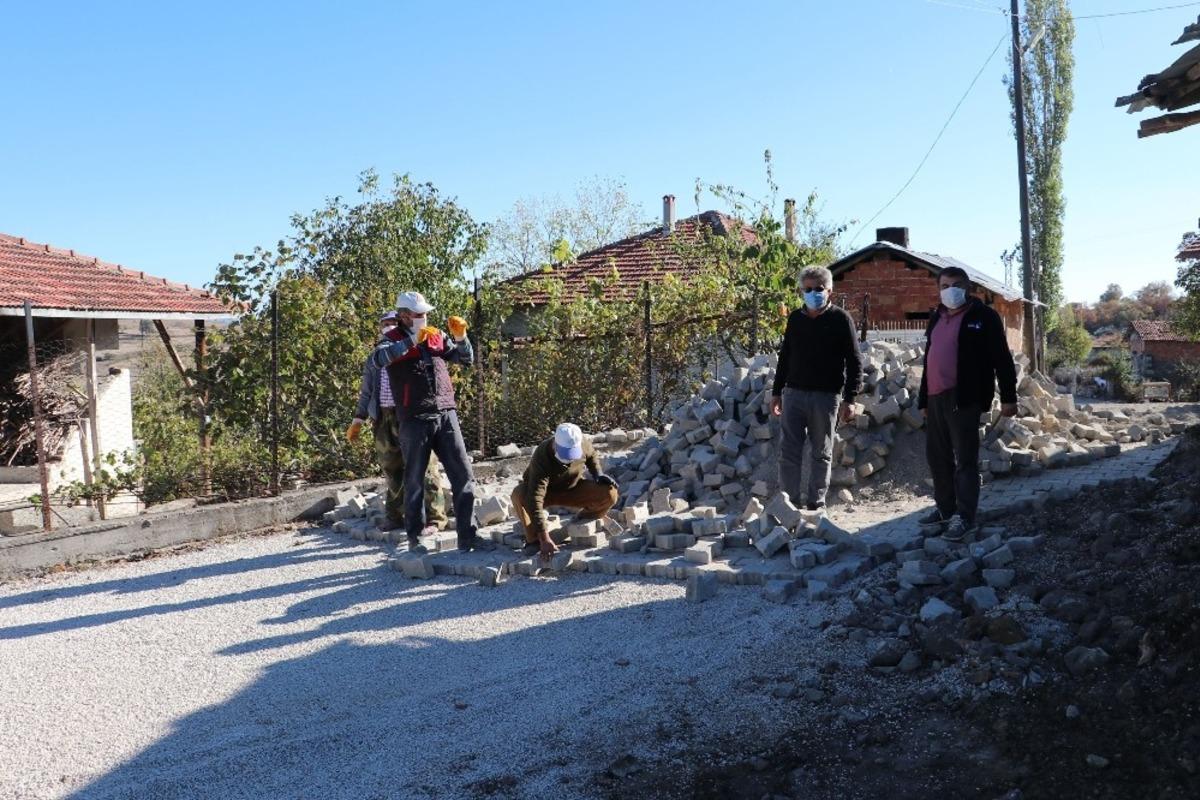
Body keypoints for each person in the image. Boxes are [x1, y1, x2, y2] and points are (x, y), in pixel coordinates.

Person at [372, 291, 494, 553]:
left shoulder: (436, 335)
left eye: (426, 313)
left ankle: (468, 536)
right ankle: (415, 538)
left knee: (463, 475)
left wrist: (461, 338)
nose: (424, 318)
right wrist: (412, 342)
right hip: (414, 418)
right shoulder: (389, 341)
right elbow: (378, 360)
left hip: (445, 413)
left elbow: (465, 359)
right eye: (418, 314)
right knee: (414, 479)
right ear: (403, 316)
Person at [916, 266, 1018, 542]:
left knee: (965, 460)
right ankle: (945, 511)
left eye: (956, 284)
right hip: (936, 398)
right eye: (945, 285)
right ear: (939, 289)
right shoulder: (936, 317)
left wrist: (1009, 396)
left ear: (968, 287)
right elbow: (930, 360)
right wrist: (924, 398)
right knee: (938, 459)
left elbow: (1001, 358)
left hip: (965, 398)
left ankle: (965, 516)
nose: (950, 290)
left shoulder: (984, 317)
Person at [770, 266, 863, 511]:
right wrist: (777, 392)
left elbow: (854, 360)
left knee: (821, 452)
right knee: (789, 451)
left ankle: (816, 504)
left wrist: (850, 397)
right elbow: (785, 356)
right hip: (794, 394)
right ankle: (789, 503)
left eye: (818, 289)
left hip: (826, 396)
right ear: (802, 291)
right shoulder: (795, 319)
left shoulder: (841, 319)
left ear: (829, 291)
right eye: (808, 289)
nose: (813, 293)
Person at [347, 310, 447, 533]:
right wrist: (359, 418)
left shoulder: (413, 350)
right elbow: (367, 390)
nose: (389, 326)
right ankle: (396, 516)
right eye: (385, 323)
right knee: (391, 467)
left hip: (411, 415)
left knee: (426, 467)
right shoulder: (377, 355)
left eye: (393, 322)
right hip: (383, 417)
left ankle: (435, 518)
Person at [510, 423, 618, 557]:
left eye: (571, 455)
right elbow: (535, 498)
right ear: (555, 444)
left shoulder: (583, 443)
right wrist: (545, 538)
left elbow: (592, 455)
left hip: (571, 489)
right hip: (547, 493)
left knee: (609, 493)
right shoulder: (542, 455)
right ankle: (534, 540)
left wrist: (598, 473)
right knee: (519, 494)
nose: (568, 460)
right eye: (565, 454)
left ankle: (581, 521)